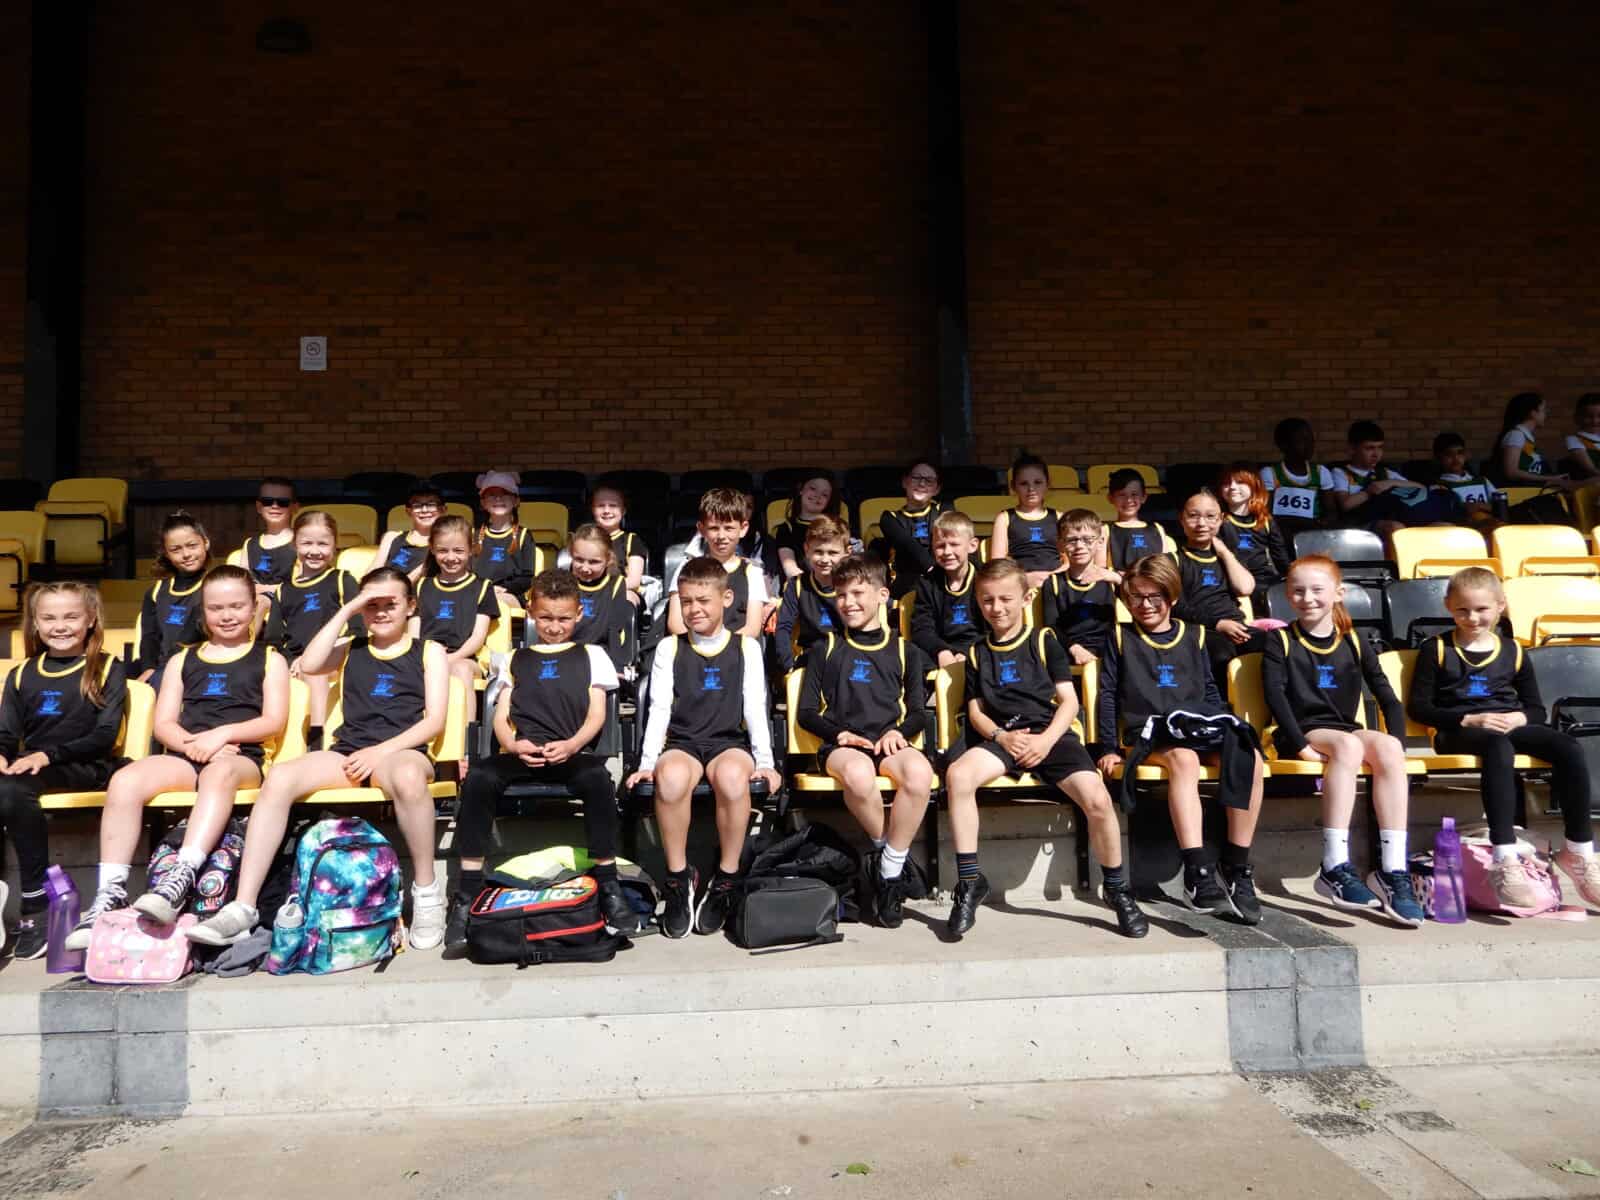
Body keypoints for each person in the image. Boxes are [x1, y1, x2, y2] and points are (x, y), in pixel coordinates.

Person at [189, 567, 453, 949]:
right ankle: (244, 905)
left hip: (402, 752)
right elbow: (311, 663)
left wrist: (381, 752)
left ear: (410, 606)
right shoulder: (350, 648)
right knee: (280, 776)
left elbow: (435, 721)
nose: (380, 612)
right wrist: (347, 610)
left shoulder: (429, 651)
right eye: (371, 605)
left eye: (390, 604)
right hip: (349, 754)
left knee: (409, 777)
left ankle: (426, 891)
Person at [69, 565, 289, 946]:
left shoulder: (270, 659)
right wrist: (192, 745)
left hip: (242, 758)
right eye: (216, 608)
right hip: (189, 753)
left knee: (219, 773)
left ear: (255, 608)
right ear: (202, 611)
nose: (226, 615)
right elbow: (164, 724)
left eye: (236, 606)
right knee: (126, 779)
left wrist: (222, 736)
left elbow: (273, 720)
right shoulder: (181, 660)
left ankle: (181, 876)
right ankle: (111, 892)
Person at [942, 558, 1148, 939]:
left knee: (1097, 798)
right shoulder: (976, 652)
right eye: (987, 600)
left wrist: (1045, 741)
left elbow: (1069, 702)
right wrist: (1001, 737)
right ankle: (969, 882)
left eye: (1006, 599)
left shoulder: (1044, 640)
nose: (997, 608)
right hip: (1004, 736)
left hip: (1050, 734)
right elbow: (975, 712)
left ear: (1026, 599)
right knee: (958, 776)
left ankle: (1117, 888)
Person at [444, 569, 635, 952]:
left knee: (597, 780)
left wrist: (572, 744)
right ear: (531, 613)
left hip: (572, 752)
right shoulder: (514, 658)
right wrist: (514, 746)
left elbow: (596, 713)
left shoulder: (593, 656)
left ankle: (609, 883)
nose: (554, 626)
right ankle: (466, 892)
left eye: (563, 618)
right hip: (523, 751)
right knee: (480, 778)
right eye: (546, 618)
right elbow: (501, 716)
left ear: (578, 614)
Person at [1407, 567, 1600, 911]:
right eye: (1462, 610)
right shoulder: (1435, 649)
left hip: (1506, 724)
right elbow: (1420, 708)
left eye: (1482, 609)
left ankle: (1579, 852)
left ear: (1500, 606)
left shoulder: (1513, 650)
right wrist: (1469, 718)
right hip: (1456, 729)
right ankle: (1504, 857)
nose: (1472, 618)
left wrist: (1520, 718)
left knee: (1568, 746)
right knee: (1499, 746)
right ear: (1448, 606)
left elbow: (1536, 709)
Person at [1093, 555, 1265, 923]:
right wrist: (1108, 746)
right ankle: (1197, 871)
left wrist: (1218, 724)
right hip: (1149, 731)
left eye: (1154, 596)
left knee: (1247, 755)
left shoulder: (1195, 634)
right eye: (1136, 596)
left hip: (1193, 726)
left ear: (1171, 596)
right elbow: (1106, 694)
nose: (1145, 604)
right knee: (1183, 759)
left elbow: (1208, 688)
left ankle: (1236, 865)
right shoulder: (1120, 637)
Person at [624, 556, 780, 939]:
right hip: (684, 743)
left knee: (732, 778)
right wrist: (647, 763)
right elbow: (659, 709)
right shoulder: (669, 648)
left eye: (703, 600)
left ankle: (726, 878)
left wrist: (766, 761)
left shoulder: (746, 647)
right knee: (671, 778)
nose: (694, 609)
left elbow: (755, 707)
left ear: (726, 599)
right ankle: (679, 879)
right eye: (687, 601)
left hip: (729, 743)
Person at [1264, 556, 1423, 926]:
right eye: (1298, 590)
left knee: (1386, 747)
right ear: (1287, 595)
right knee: (1349, 745)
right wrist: (1299, 744)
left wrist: (1398, 743)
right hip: (1299, 731)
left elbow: (1387, 696)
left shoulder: (1353, 639)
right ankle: (1334, 864)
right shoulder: (1280, 639)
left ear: (1338, 593)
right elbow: (1276, 697)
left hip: (1342, 730)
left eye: (1317, 590)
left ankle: (1392, 870)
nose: (1307, 598)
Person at [796, 554, 933, 928]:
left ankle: (887, 870)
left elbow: (919, 713)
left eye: (858, 593)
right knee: (858, 775)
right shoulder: (825, 647)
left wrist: (897, 733)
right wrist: (838, 734)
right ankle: (890, 858)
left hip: (889, 743)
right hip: (842, 746)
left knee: (920, 775)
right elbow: (806, 712)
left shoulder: (906, 650)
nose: (848, 602)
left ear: (883, 595)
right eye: (841, 594)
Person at [0, 583, 127, 959]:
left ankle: (35, 902)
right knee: (9, 784)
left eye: (71, 617)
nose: (60, 626)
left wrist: (49, 755)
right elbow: (6, 733)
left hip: (86, 766)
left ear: (90, 620)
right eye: (49, 618)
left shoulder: (107, 667)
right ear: (35, 623)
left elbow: (104, 735)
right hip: (34, 768)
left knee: (13, 789)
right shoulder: (22, 673)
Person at [264, 509, 358, 746]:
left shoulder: (342, 579)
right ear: (295, 544)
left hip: (336, 657)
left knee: (314, 671)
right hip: (295, 662)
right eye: (307, 543)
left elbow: (358, 629)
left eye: (323, 544)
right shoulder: (284, 590)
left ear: (334, 545)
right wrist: (289, 663)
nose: (315, 551)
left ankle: (317, 740)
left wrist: (311, 659)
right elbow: (274, 640)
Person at [1172, 489, 1263, 673]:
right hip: (1201, 629)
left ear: (1221, 519)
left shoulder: (1228, 558)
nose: (1201, 523)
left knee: (1275, 645)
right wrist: (1218, 624)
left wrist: (1224, 553)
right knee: (1222, 654)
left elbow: (1245, 588)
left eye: (1210, 516)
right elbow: (1175, 607)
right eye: (1193, 516)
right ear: (1181, 519)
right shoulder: (1173, 560)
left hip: (1237, 627)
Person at [414, 514, 499, 701]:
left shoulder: (483, 587)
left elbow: (477, 638)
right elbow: (414, 636)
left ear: (471, 550)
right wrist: (427, 660)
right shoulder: (421, 587)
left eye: (458, 550)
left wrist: (449, 659)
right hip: (426, 657)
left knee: (460, 670)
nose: (451, 557)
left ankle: (465, 721)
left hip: (465, 657)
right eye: (443, 550)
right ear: (432, 549)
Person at [666, 488, 767, 639]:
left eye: (729, 528)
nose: (721, 536)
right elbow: (675, 624)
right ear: (701, 529)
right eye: (714, 528)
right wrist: (702, 646)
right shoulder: (687, 568)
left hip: (738, 648)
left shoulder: (752, 573)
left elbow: (752, 627)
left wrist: (722, 648)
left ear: (743, 528)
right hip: (691, 648)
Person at [136, 512, 213, 684]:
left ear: (206, 543)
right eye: (176, 549)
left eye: (192, 545)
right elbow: (150, 637)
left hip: (202, 667)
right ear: (166, 553)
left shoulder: (217, 585)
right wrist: (149, 668)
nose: (186, 554)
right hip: (163, 670)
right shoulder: (156, 592)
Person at [1039, 509, 1119, 665]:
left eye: (1088, 539)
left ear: (1100, 542)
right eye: (1071, 540)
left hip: (1108, 649)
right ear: (1060, 544)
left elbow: (1138, 608)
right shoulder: (1053, 582)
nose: (1079, 546)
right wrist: (1074, 648)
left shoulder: (1110, 578)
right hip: (1069, 649)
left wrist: (1119, 580)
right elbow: (1051, 627)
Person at [910, 510, 988, 668]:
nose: (947, 552)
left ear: (972, 545)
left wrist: (967, 653)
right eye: (940, 546)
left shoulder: (986, 580)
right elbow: (922, 629)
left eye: (954, 544)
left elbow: (993, 627)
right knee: (910, 655)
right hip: (940, 651)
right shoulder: (927, 583)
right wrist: (942, 651)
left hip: (979, 649)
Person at [773, 514, 847, 672]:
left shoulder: (852, 584)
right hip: (811, 658)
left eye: (832, 553)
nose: (825, 559)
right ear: (807, 550)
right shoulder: (797, 585)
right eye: (818, 552)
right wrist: (788, 665)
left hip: (845, 656)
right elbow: (784, 627)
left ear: (847, 552)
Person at [1216, 464, 1289, 610]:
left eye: (1240, 482)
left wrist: (1292, 577)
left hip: (1264, 581)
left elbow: (1280, 557)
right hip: (1231, 582)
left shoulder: (1265, 520)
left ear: (1254, 486)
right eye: (1227, 483)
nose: (1232, 487)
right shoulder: (1219, 520)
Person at [567, 523, 635, 673]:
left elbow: (615, 630)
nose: (585, 568)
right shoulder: (562, 582)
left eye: (594, 562)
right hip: (568, 654)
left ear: (608, 558)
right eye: (579, 560)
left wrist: (617, 668)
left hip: (601, 657)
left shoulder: (616, 585)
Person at [1260, 418, 1339, 541]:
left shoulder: (1321, 472)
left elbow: (1331, 511)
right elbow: (1266, 513)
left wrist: (1322, 524)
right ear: (1284, 445)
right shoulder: (1270, 473)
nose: (1309, 445)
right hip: (1281, 534)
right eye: (1302, 441)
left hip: (1312, 534)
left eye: (1311, 440)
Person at [989, 453, 1061, 586]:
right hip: (1019, 585)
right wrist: (1024, 578)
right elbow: (998, 563)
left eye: (1038, 482)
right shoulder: (1004, 518)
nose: (1031, 489)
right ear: (1013, 486)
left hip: (1057, 583)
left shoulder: (1059, 517)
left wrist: (1054, 576)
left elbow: (1068, 558)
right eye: (1024, 483)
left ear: (1048, 483)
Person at [877, 458, 944, 598]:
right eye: (916, 478)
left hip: (940, 583)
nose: (922, 483)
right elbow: (908, 546)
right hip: (905, 587)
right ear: (905, 482)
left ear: (937, 489)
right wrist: (934, 570)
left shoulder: (944, 510)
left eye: (929, 480)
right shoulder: (889, 518)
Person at [471, 470, 536, 609]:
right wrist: (485, 589)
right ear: (483, 502)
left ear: (516, 501)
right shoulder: (473, 536)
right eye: (492, 495)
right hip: (479, 593)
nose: (498, 499)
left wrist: (504, 589)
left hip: (510, 595)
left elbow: (527, 577)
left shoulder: (524, 535)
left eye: (505, 494)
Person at [1490, 392, 1572, 490]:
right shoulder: (1516, 435)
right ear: (1533, 413)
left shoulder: (1524, 436)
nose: (1546, 414)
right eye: (1544, 410)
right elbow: (1511, 472)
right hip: (1521, 492)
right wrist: (1550, 478)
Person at [771, 474, 843, 580]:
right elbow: (789, 567)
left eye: (824, 494)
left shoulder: (837, 527)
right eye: (813, 489)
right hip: (800, 584)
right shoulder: (787, 528)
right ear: (801, 490)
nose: (818, 495)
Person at [235, 477, 300, 591]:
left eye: (283, 502)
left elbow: (302, 584)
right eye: (267, 501)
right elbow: (244, 584)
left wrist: (265, 590)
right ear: (259, 507)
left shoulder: (302, 542)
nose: (275, 506)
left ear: (295, 507)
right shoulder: (250, 544)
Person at [1104, 469, 1173, 572]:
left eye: (1134, 494)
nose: (1129, 500)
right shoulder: (1106, 531)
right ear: (1110, 498)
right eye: (1122, 495)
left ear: (1144, 497)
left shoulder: (1157, 529)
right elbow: (1100, 570)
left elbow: (1165, 567)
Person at [590, 479, 647, 603]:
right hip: (590, 592)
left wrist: (603, 590)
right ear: (593, 510)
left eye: (613, 506)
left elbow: (634, 581)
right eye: (600, 506)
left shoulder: (632, 540)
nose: (606, 511)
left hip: (622, 592)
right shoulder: (585, 539)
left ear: (623, 511)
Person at [376, 479, 445, 580]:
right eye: (417, 505)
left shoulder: (449, 542)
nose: (424, 510)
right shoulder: (391, 537)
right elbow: (372, 573)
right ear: (408, 511)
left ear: (443, 509)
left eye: (431, 505)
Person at [1431, 431, 1499, 530]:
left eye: (1460, 453)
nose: (1456, 458)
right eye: (1449, 454)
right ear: (1438, 458)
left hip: (1493, 525)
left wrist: (1479, 506)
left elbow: (1501, 507)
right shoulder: (1437, 487)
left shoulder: (1482, 481)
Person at [1562, 393, 1600, 481]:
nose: (1595, 421)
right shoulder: (1574, 440)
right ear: (1577, 417)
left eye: (1599, 416)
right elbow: (1591, 469)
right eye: (1588, 416)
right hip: (1587, 485)